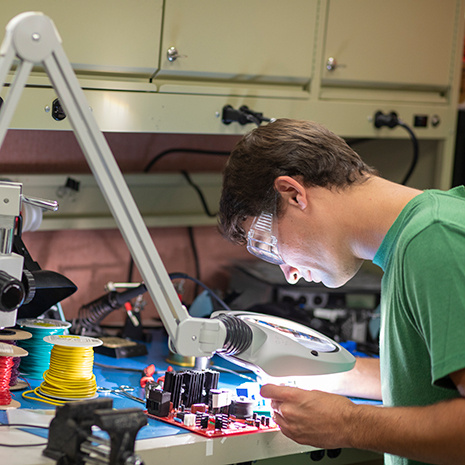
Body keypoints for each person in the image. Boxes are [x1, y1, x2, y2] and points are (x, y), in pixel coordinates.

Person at [218, 118, 465, 465]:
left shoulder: (434, 240)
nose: (287, 274)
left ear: (293, 194)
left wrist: (348, 423)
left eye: (269, 245)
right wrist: (326, 377)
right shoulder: (413, 241)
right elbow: (422, 386)